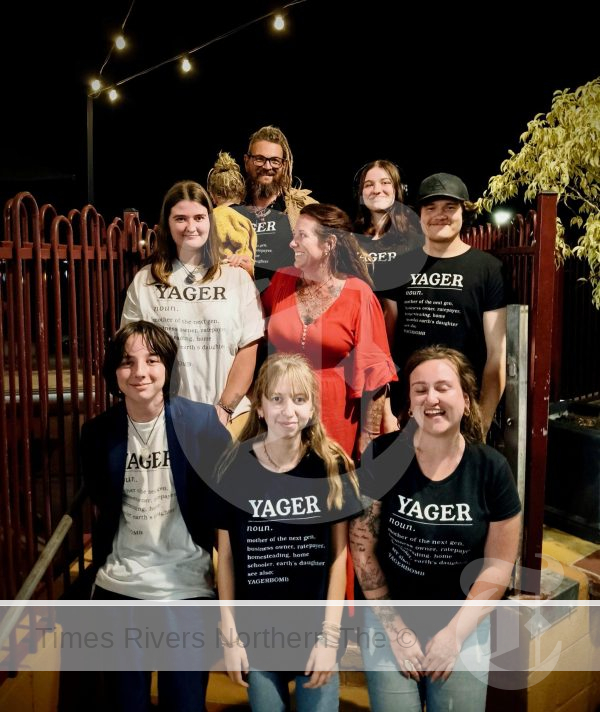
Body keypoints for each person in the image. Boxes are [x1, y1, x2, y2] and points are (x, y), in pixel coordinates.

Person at [350, 345, 521, 712]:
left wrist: (454, 634)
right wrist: (395, 630)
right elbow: (362, 549)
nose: (432, 399)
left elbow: (498, 567)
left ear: (466, 396)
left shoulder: (492, 469)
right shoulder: (381, 456)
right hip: (389, 614)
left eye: (443, 387)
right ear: (408, 402)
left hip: (465, 618)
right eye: (420, 389)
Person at [81, 320, 231, 712]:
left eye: (151, 360)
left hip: (186, 588)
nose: (140, 372)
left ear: (167, 366)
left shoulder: (202, 425)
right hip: (119, 588)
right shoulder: (98, 434)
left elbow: (229, 513)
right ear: (114, 373)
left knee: (185, 704)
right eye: (128, 363)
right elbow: (101, 496)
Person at [215, 352, 361, 712]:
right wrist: (229, 636)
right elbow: (226, 560)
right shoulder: (233, 468)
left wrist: (330, 637)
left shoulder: (331, 464)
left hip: (316, 635)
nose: (288, 411)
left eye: (299, 399)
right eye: (276, 399)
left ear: (312, 406)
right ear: (260, 407)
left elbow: (338, 559)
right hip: (256, 636)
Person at [120, 179, 264, 433]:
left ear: (210, 220)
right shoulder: (145, 281)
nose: (191, 227)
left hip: (228, 419)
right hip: (165, 419)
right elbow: (132, 352)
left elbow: (248, 347)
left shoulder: (236, 277)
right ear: (167, 223)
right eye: (180, 219)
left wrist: (224, 409)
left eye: (199, 217)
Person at [262, 203, 397, 459]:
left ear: (329, 244)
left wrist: (368, 437)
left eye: (302, 236)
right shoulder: (282, 279)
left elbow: (375, 374)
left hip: (334, 415)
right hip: (281, 411)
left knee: (330, 490)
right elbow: (250, 330)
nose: (293, 243)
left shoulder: (359, 294)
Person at [384, 173, 508, 434]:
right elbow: (383, 348)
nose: (440, 214)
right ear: (420, 215)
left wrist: (481, 423)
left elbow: (496, 357)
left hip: (462, 411)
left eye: (450, 207)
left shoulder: (488, 269)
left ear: (465, 211)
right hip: (408, 410)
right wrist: (387, 411)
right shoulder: (398, 266)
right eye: (431, 208)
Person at [238, 125, 317, 287]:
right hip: (239, 305)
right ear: (247, 161)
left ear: (284, 165)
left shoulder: (304, 208)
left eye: (275, 160)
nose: (267, 167)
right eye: (259, 159)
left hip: (287, 304)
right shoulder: (230, 207)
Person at [353, 159, 424, 296]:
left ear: (397, 190)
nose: (377, 190)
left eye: (385, 183)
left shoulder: (417, 240)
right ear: (360, 194)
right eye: (368, 185)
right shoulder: (350, 238)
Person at [207, 150, 257, 276]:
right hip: (239, 280)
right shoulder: (250, 218)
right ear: (241, 192)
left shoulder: (207, 219)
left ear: (212, 195)